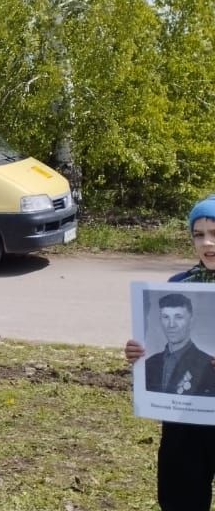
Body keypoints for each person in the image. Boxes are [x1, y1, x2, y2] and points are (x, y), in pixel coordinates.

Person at [125, 194, 215, 510]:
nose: (207, 243)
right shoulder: (178, 284)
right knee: (181, 497)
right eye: (199, 234)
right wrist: (139, 352)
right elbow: (155, 342)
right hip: (184, 421)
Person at [140, 293, 215, 395]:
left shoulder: (209, 365)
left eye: (178, 317)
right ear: (160, 320)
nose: (171, 325)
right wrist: (136, 362)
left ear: (191, 321)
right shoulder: (149, 363)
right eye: (166, 317)